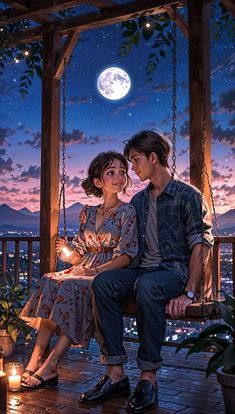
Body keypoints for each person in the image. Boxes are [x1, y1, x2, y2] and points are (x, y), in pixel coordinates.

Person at [79, 130, 213, 412]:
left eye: (136, 160)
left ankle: (148, 378)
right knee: (104, 282)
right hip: (141, 270)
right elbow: (119, 225)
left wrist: (190, 291)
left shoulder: (188, 195)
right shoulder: (138, 202)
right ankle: (115, 373)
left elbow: (201, 243)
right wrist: (92, 218)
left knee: (148, 286)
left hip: (171, 272)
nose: (133, 168)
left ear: (154, 158)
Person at [19, 151, 138, 391]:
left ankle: (52, 365)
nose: (119, 177)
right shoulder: (90, 212)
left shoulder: (128, 212)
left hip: (108, 271)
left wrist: (96, 272)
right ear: (98, 182)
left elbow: (127, 255)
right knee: (50, 280)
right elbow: (80, 254)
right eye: (111, 172)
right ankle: (36, 359)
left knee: (72, 285)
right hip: (85, 266)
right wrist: (67, 250)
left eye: (122, 172)